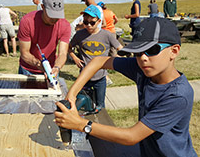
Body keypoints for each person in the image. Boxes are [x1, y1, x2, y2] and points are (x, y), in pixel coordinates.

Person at [55, 17, 197, 157]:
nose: (143, 58)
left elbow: (132, 136)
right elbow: (98, 61)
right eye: (138, 52)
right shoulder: (142, 69)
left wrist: (81, 124)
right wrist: (72, 94)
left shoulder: (178, 95)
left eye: (152, 50)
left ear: (174, 51)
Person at [69, 5, 122, 109]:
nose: (88, 25)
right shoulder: (79, 35)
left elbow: (120, 48)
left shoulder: (107, 35)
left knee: (100, 105)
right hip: (84, 77)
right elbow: (68, 47)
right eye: (85, 22)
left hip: (100, 78)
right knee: (81, 102)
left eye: (92, 22)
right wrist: (74, 58)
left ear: (99, 21)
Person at [18, 0, 71, 78]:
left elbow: (62, 53)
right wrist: (39, 65)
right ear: (42, 7)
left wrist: (57, 67)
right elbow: (24, 53)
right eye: (51, 15)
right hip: (28, 70)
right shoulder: (27, 21)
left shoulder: (64, 25)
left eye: (57, 15)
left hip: (51, 70)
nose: (54, 19)